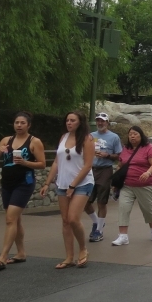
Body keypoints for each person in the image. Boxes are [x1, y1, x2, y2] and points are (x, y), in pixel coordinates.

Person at [0, 112, 46, 270]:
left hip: (24, 183)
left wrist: (26, 162)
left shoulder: (34, 142)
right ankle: (21, 253)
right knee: (16, 219)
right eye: (16, 123)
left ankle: (3, 257)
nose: (19, 125)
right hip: (7, 183)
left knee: (10, 219)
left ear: (28, 125)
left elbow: (42, 164)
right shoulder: (6, 140)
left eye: (22, 123)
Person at [40, 111, 96, 269]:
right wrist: (47, 183)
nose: (69, 123)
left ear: (80, 122)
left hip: (82, 183)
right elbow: (57, 162)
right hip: (62, 184)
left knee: (73, 218)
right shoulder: (63, 137)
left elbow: (87, 165)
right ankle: (69, 257)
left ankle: (83, 249)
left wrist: (73, 185)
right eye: (67, 120)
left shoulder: (87, 139)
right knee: (65, 221)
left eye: (73, 120)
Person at [112, 126, 152, 246]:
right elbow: (121, 165)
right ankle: (123, 236)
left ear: (141, 135)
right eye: (130, 134)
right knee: (123, 208)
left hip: (145, 185)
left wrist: (148, 172)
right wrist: (116, 182)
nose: (132, 136)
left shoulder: (148, 147)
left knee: (147, 209)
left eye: (135, 134)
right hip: (127, 185)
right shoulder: (126, 148)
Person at [85, 113, 122, 243]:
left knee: (101, 201)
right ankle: (97, 222)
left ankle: (99, 231)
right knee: (85, 201)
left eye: (103, 121)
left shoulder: (114, 137)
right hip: (90, 170)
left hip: (105, 170)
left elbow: (119, 155)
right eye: (98, 121)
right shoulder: (90, 136)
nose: (100, 123)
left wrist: (107, 155)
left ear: (107, 123)